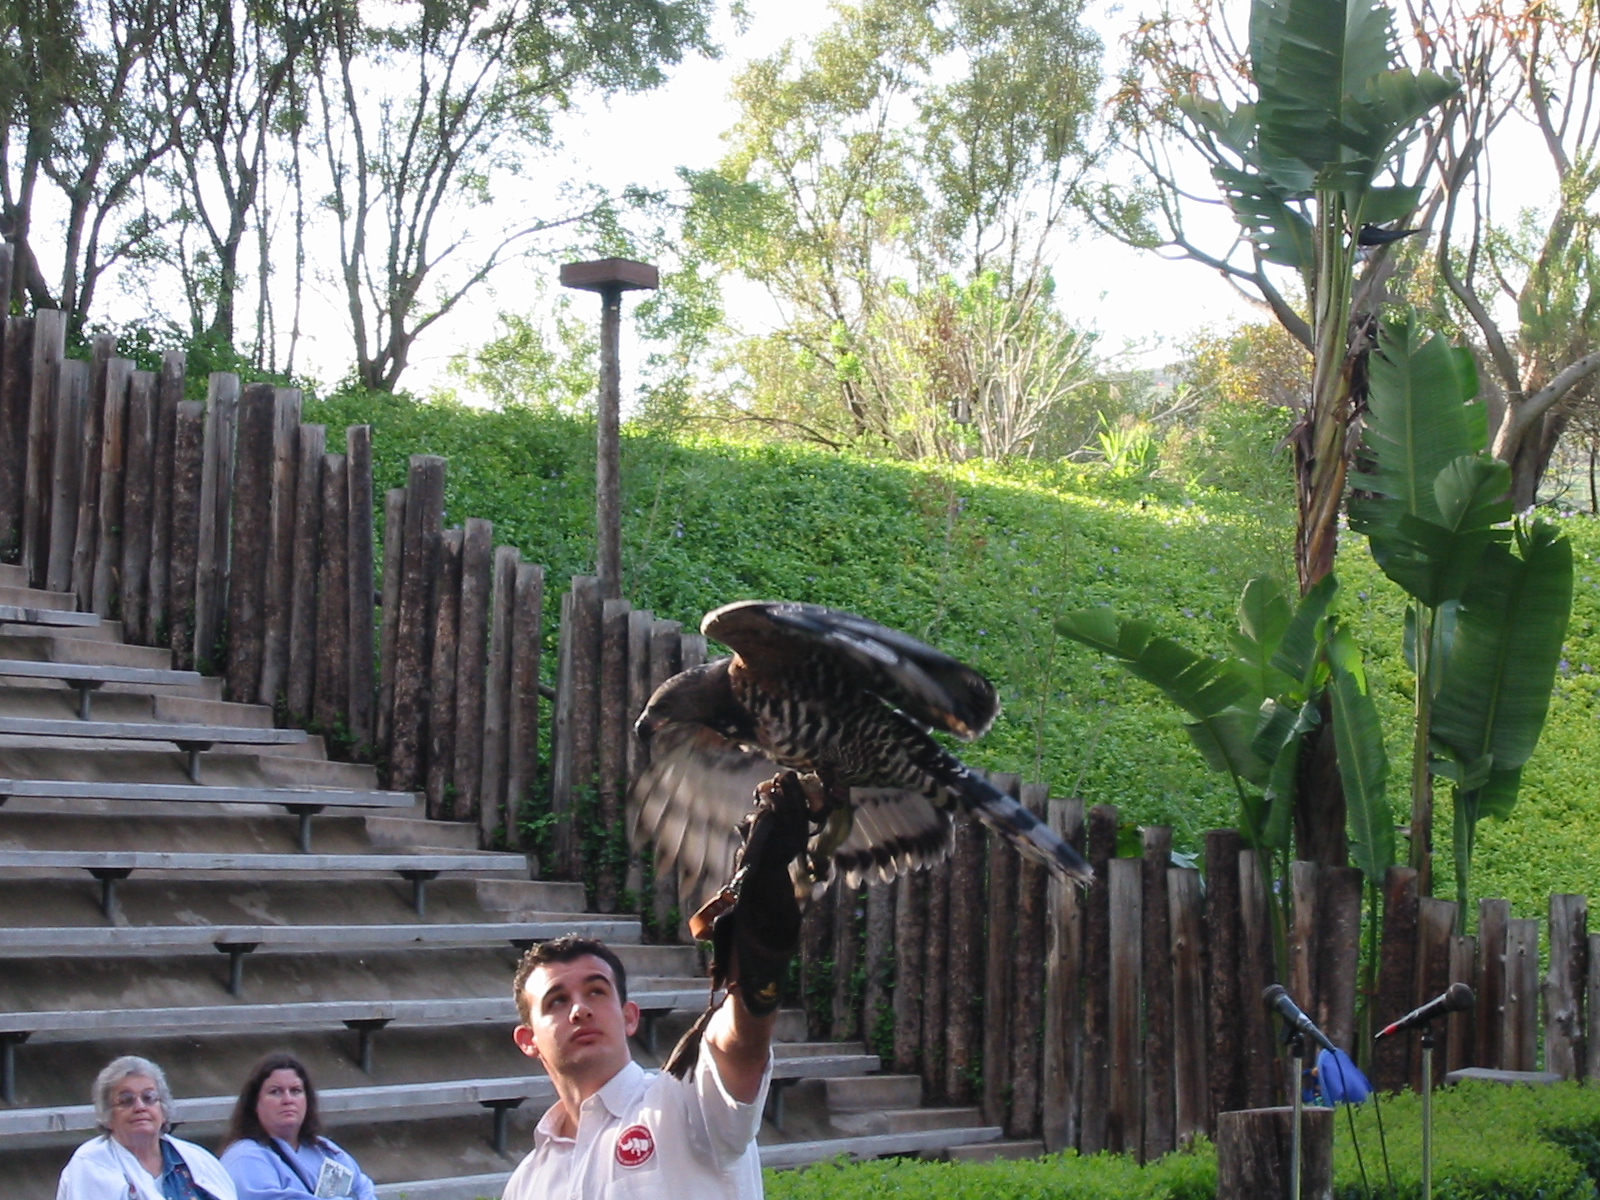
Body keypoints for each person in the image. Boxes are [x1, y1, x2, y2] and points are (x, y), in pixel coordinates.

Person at [502, 775, 810, 1200]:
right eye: (556, 1000)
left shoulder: (684, 1105)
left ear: (630, 1017)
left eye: (597, 991)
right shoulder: (528, 1182)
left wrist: (757, 967)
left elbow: (737, 1047)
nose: (580, 1009)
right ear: (528, 1040)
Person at [57, 1055, 237, 1200]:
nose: (140, 1107)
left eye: (149, 1097)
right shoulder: (91, 1164)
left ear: (163, 1110)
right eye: (126, 1100)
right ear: (108, 1116)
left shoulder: (197, 1159)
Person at [220, 1053, 376, 1200]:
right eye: (275, 1092)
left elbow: (365, 1190)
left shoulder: (327, 1152)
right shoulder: (245, 1157)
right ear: (255, 1103)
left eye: (296, 1091)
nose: (288, 1100)